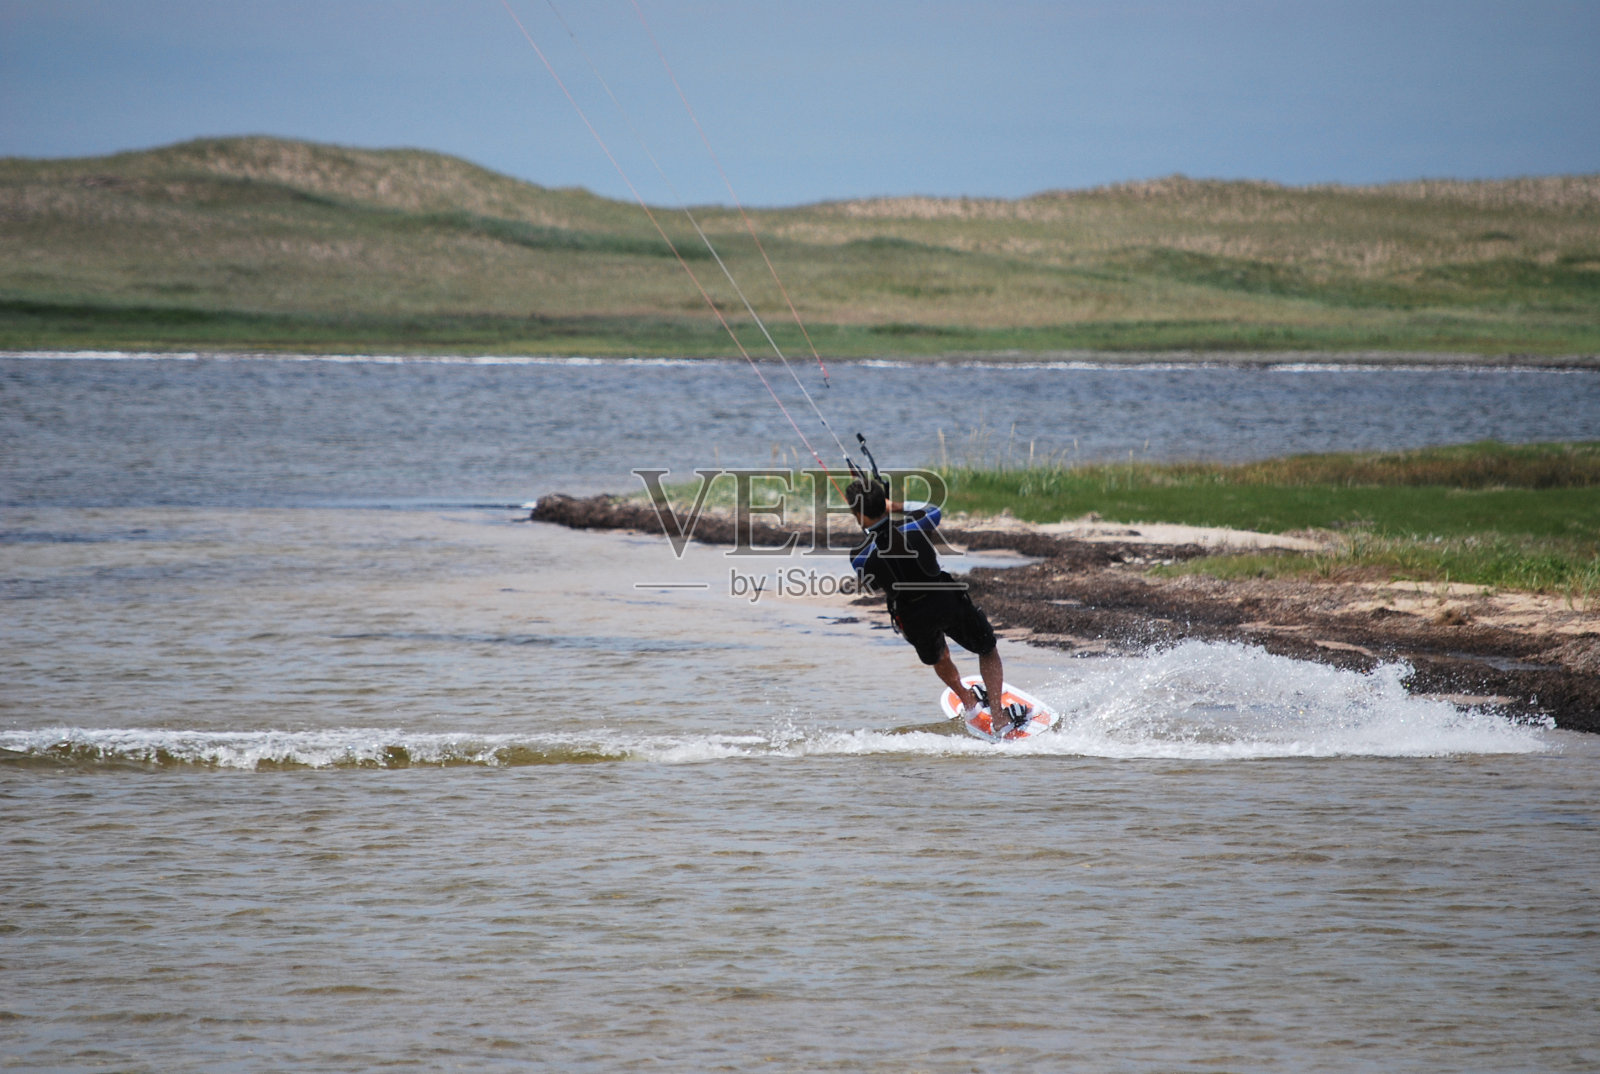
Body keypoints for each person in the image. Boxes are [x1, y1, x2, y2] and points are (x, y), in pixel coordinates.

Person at [845, 478, 1025, 730]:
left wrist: (872, 528)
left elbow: (873, 584)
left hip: (910, 614)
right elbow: (933, 508)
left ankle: (968, 701)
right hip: (944, 598)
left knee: (939, 656)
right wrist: (895, 506)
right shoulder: (917, 523)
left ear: (857, 513)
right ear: (883, 505)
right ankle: (998, 715)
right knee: (986, 648)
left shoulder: (859, 556)